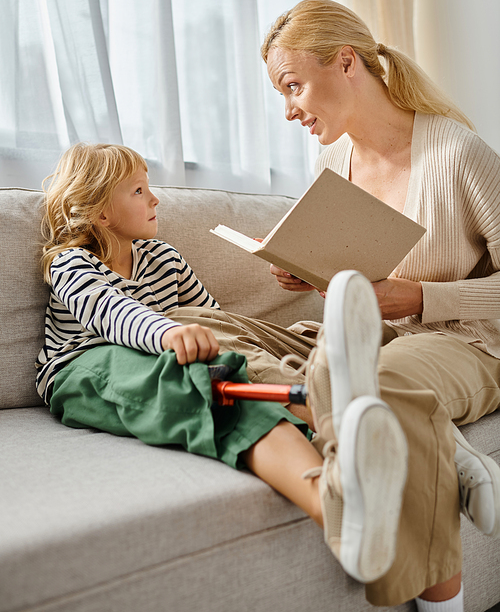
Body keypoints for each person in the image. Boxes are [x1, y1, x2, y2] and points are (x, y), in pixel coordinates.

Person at [36, 142, 409, 586]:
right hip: (86, 365)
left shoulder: (163, 257)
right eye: (138, 190)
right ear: (100, 213)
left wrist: (217, 344)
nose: (155, 199)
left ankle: (345, 436)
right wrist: (169, 333)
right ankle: (336, 514)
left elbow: (215, 321)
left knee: (224, 374)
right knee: (192, 387)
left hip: (166, 354)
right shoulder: (69, 263)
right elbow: (110, 313)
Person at [260, 0, 500, 612]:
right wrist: (318, 273)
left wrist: (416, 296)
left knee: (374, 381)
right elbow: (366, 274)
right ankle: (446, 440)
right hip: (381, 330)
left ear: (346, 63)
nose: (289, 111)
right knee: (220, 341)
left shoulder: (458, 154)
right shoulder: (333, 161)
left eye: (293, 86)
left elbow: (408, 291)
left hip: (465, 338)